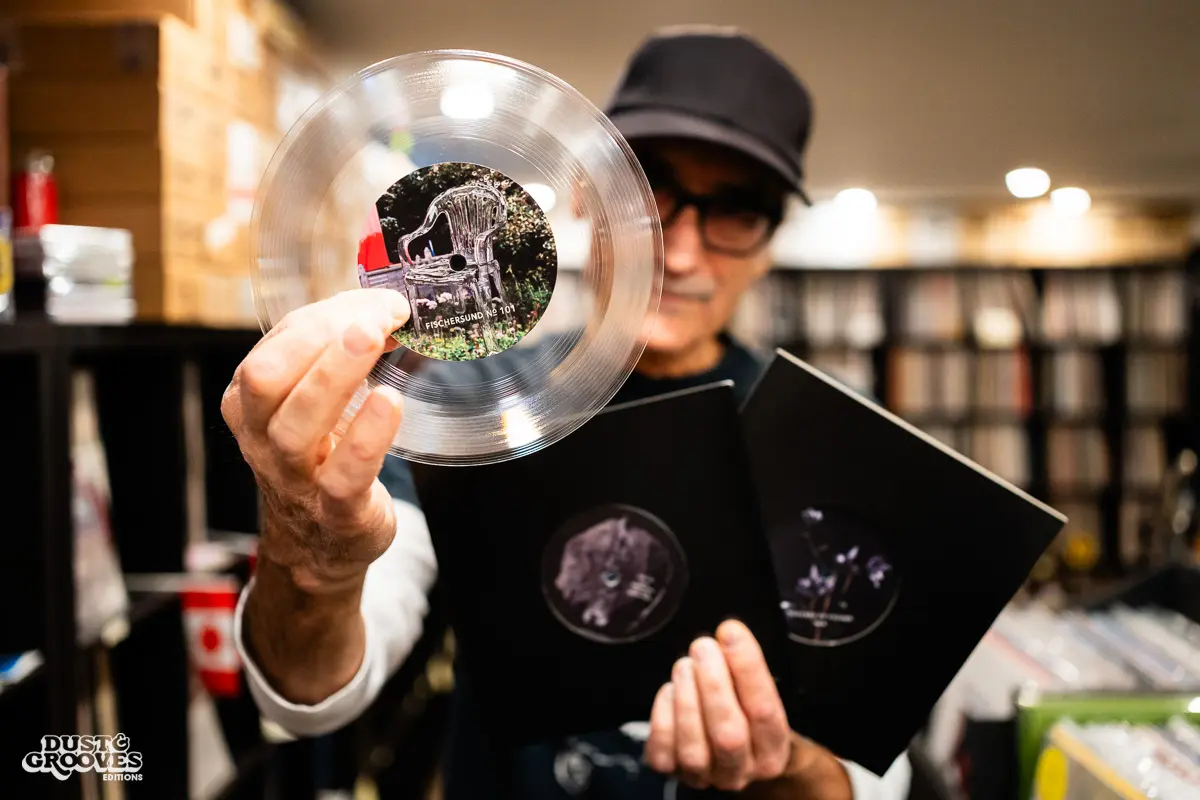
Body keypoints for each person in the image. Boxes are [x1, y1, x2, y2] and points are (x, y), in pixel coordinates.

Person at [223, 27, 914, 799]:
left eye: (737, 212)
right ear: (589, 194)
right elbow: (315, 692)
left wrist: (795, 770)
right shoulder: (463, 395)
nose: (681, 254)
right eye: (651, 186)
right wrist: (310, 564)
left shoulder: (820, 437)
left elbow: (873, 765)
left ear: (769, 244)